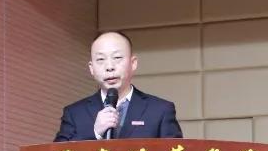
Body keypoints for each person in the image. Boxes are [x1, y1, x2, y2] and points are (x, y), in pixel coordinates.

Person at [54, 31, 183, 141]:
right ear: (91, 68)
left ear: (133, 63)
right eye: (101, 59)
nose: (109, 67)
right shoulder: (75, 113)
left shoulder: (159, 111)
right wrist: (95, 133)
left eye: (117, 57)